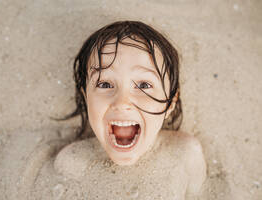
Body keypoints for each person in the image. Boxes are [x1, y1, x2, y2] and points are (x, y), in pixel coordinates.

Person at [54, 21, 206, 199]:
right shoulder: (71, 162)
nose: (122, 101)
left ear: (170, 103)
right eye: (105, 84)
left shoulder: (186, 154)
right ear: (86, 97)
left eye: (143, 85)